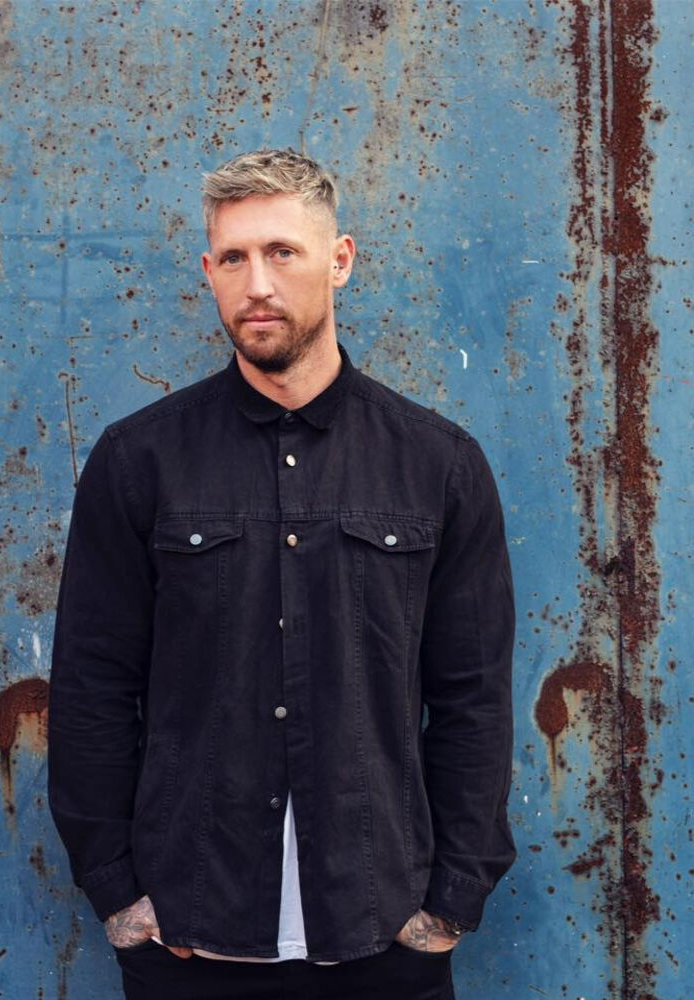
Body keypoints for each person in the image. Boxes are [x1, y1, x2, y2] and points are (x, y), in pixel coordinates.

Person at [48, 148, 516, 999]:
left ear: (340, 261)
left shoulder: (437, 465)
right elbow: (91, 690)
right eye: (234, 258)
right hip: (192, 942)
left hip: (383, 943)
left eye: (282, 252)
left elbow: (472, 700)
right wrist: (118, 896)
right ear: (209, 272)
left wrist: (448, 908)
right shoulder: (139, 460)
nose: (256, 284)